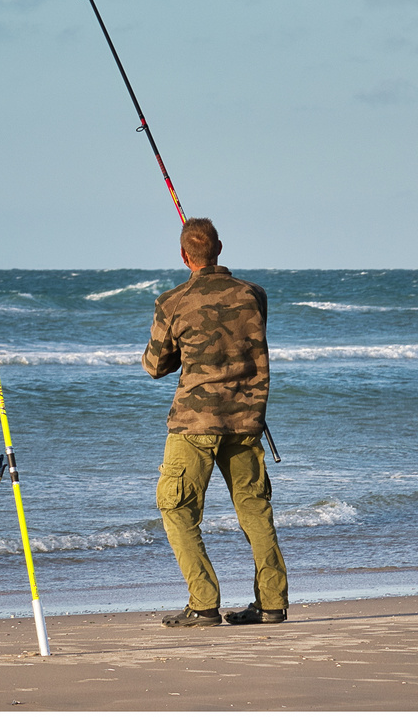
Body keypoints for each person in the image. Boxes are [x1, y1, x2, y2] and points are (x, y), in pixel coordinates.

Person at [143, 216, 288, 627]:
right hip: (247, 421)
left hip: (194, 425)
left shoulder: (172, 302)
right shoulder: (253, 295)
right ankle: (272, 603)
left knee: (177, 507)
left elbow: (155, 365)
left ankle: (203, 603)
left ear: (184, 255)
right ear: (220, 248)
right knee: (255, 511)